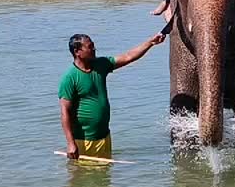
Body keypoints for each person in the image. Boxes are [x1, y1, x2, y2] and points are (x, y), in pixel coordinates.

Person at [59, 31, 165, 160]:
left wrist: (151, 42)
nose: (94, 49)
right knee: (83, 178)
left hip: (104, 137)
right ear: (77, 52)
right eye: (90, 46)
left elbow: (128, 56)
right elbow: (65, 112)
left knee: (104, 178)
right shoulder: (70, 78)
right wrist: (71, 144)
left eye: (93, 45)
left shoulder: (100, 65)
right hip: (83, 141)